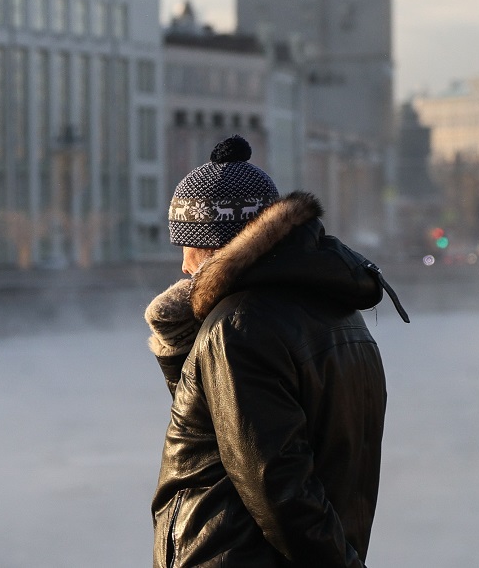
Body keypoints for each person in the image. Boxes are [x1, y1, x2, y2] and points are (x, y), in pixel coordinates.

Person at [145, 135, 408, 567]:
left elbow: (280, 487)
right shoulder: (341, 314)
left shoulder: (239, 327)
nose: (182, 264)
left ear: (215, 248)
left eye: (187, 247)